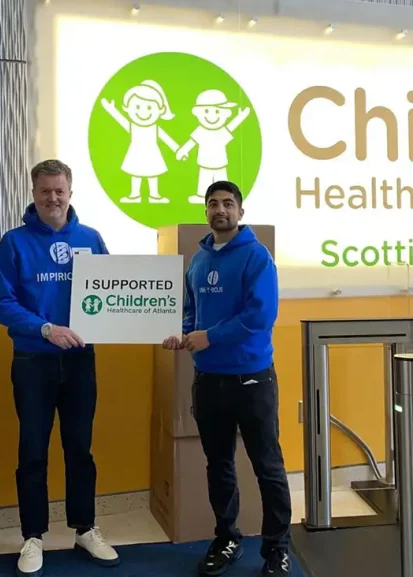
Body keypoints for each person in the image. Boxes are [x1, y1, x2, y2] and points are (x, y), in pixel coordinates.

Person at [0, 159, 120, 577]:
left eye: (59, 191)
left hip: (81, 360)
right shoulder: (13, 243)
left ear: (70, 193)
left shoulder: (91, 238)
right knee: (33, 450)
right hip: (33, 360)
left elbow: (114, 290)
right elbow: (2, 303)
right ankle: (33, 536)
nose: (53, 198)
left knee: (80, 448)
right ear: (33, 194)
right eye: (45, 191)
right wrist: (45, 329)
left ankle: (85, 528)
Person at [163, 180, 293, 577]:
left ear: (240, 211)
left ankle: (277, 548)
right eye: (213, 204)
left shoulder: (256, 256)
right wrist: (185, 333)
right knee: (218, 465)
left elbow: (260, 316)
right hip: (209, 381)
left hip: (252, 381)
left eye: (227, 203)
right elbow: (191, 309)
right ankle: (227, 539)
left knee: (267, 466)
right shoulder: (198, 260)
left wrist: (210, 336)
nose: (220, 210)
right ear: (206, 211)